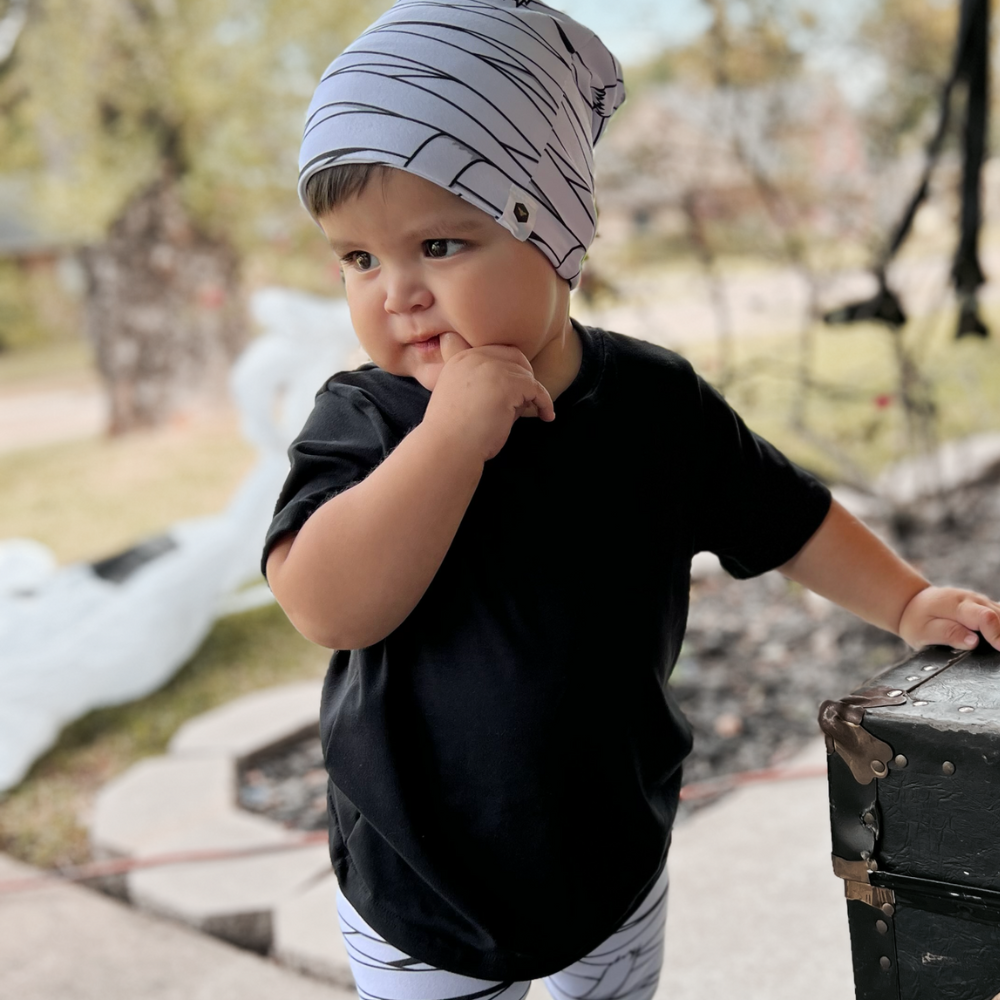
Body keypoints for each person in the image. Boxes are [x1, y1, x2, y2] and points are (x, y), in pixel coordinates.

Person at [263, 2, 1000, 998]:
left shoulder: (654, 404)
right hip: (421, 882)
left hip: (610, 850)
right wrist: (450, 439)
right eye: (358, 258)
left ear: (557, 233)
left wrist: (907, 601)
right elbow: (328, 605)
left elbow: (787, 518)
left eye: (439, 244)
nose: (395, 292)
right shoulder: (368, 419)